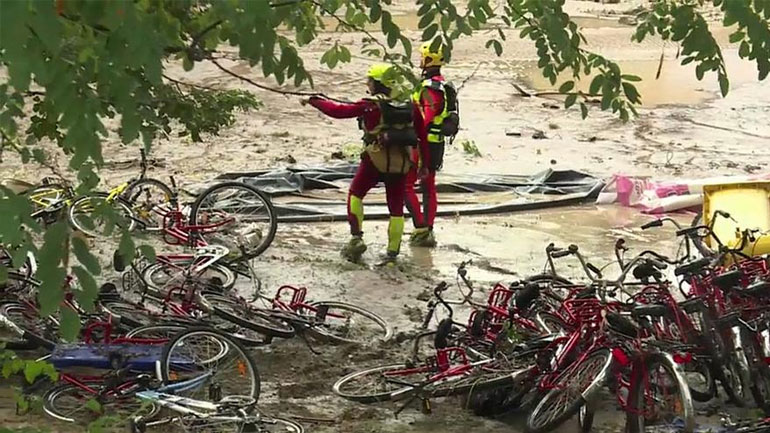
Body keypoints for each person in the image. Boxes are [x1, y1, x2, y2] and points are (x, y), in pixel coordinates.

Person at [302, 64, 428, 264]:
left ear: (377, 84)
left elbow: (338, 111)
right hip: (401, 163)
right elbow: (422, 136)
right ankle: (392, 254)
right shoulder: (410, 106)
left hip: (373, 160)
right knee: (395, 207)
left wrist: (315, 100)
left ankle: (356, 238)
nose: (366, 83)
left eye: (369, 80)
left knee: (356, 193)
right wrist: (424, 164)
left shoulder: (369, 105)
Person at [406, 42, 456, 248]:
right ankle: (426, 227)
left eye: (422, 57)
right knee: (428, 187)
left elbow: (425, 118)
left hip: (424, 144)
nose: (419, 60)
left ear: (428, 60)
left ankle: (422, 228)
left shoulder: (430, 89)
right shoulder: (444, 85)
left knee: (408, 186)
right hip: (435, 143)